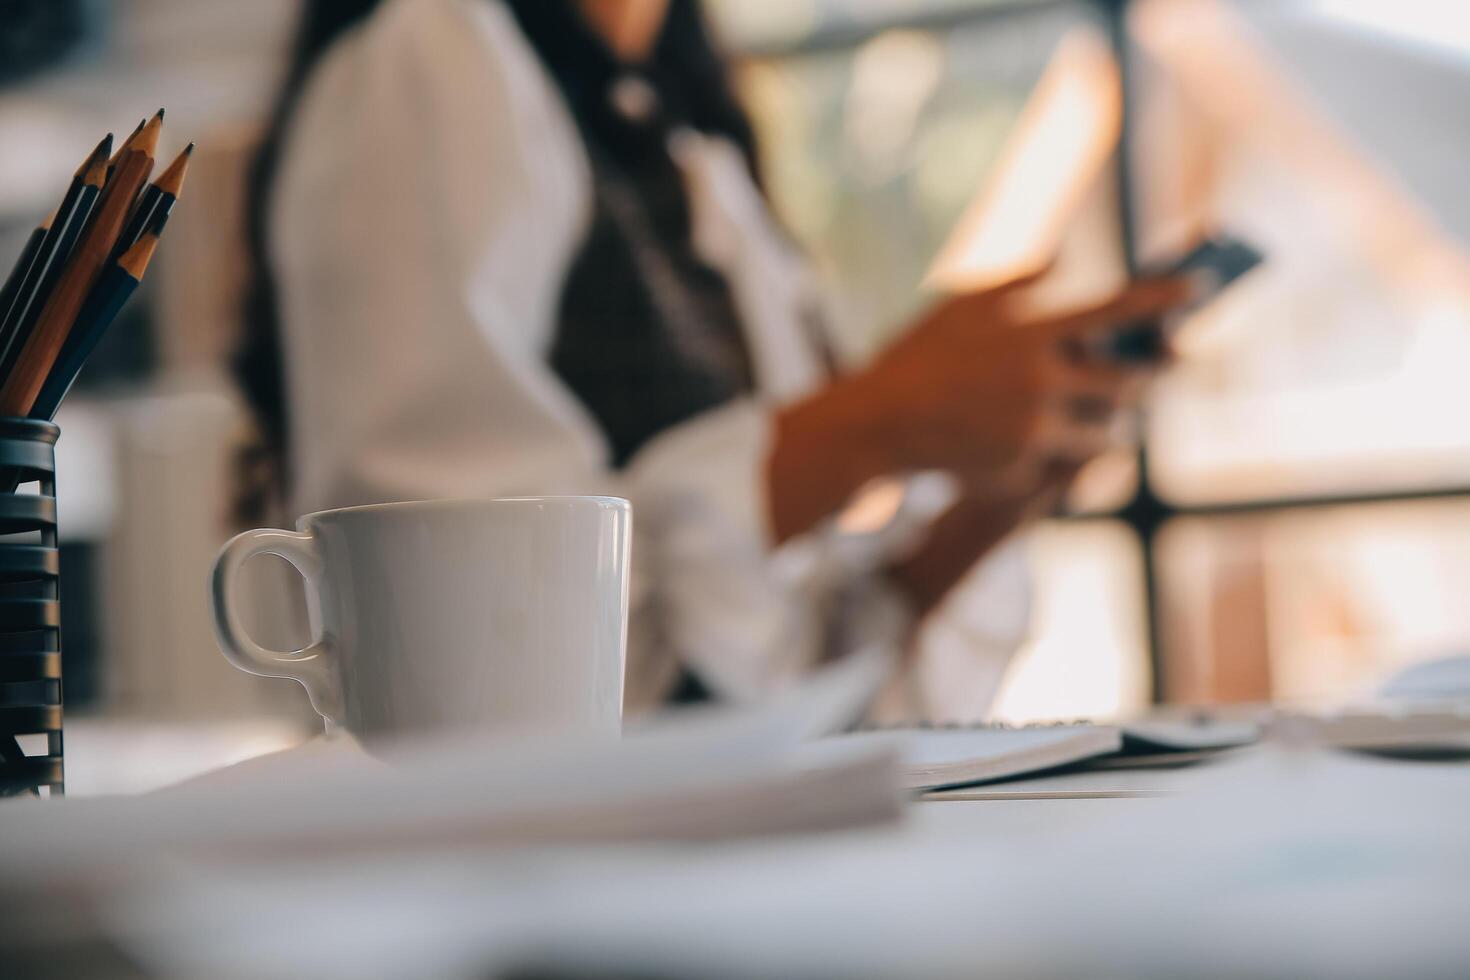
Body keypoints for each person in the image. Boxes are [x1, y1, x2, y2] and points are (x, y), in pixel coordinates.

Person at [238, 0, 1187, 718]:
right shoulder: (432, 54)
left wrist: (993, 503)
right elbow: (455, 635)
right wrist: (874, 426)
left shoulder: (698, 153)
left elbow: (774, 667)